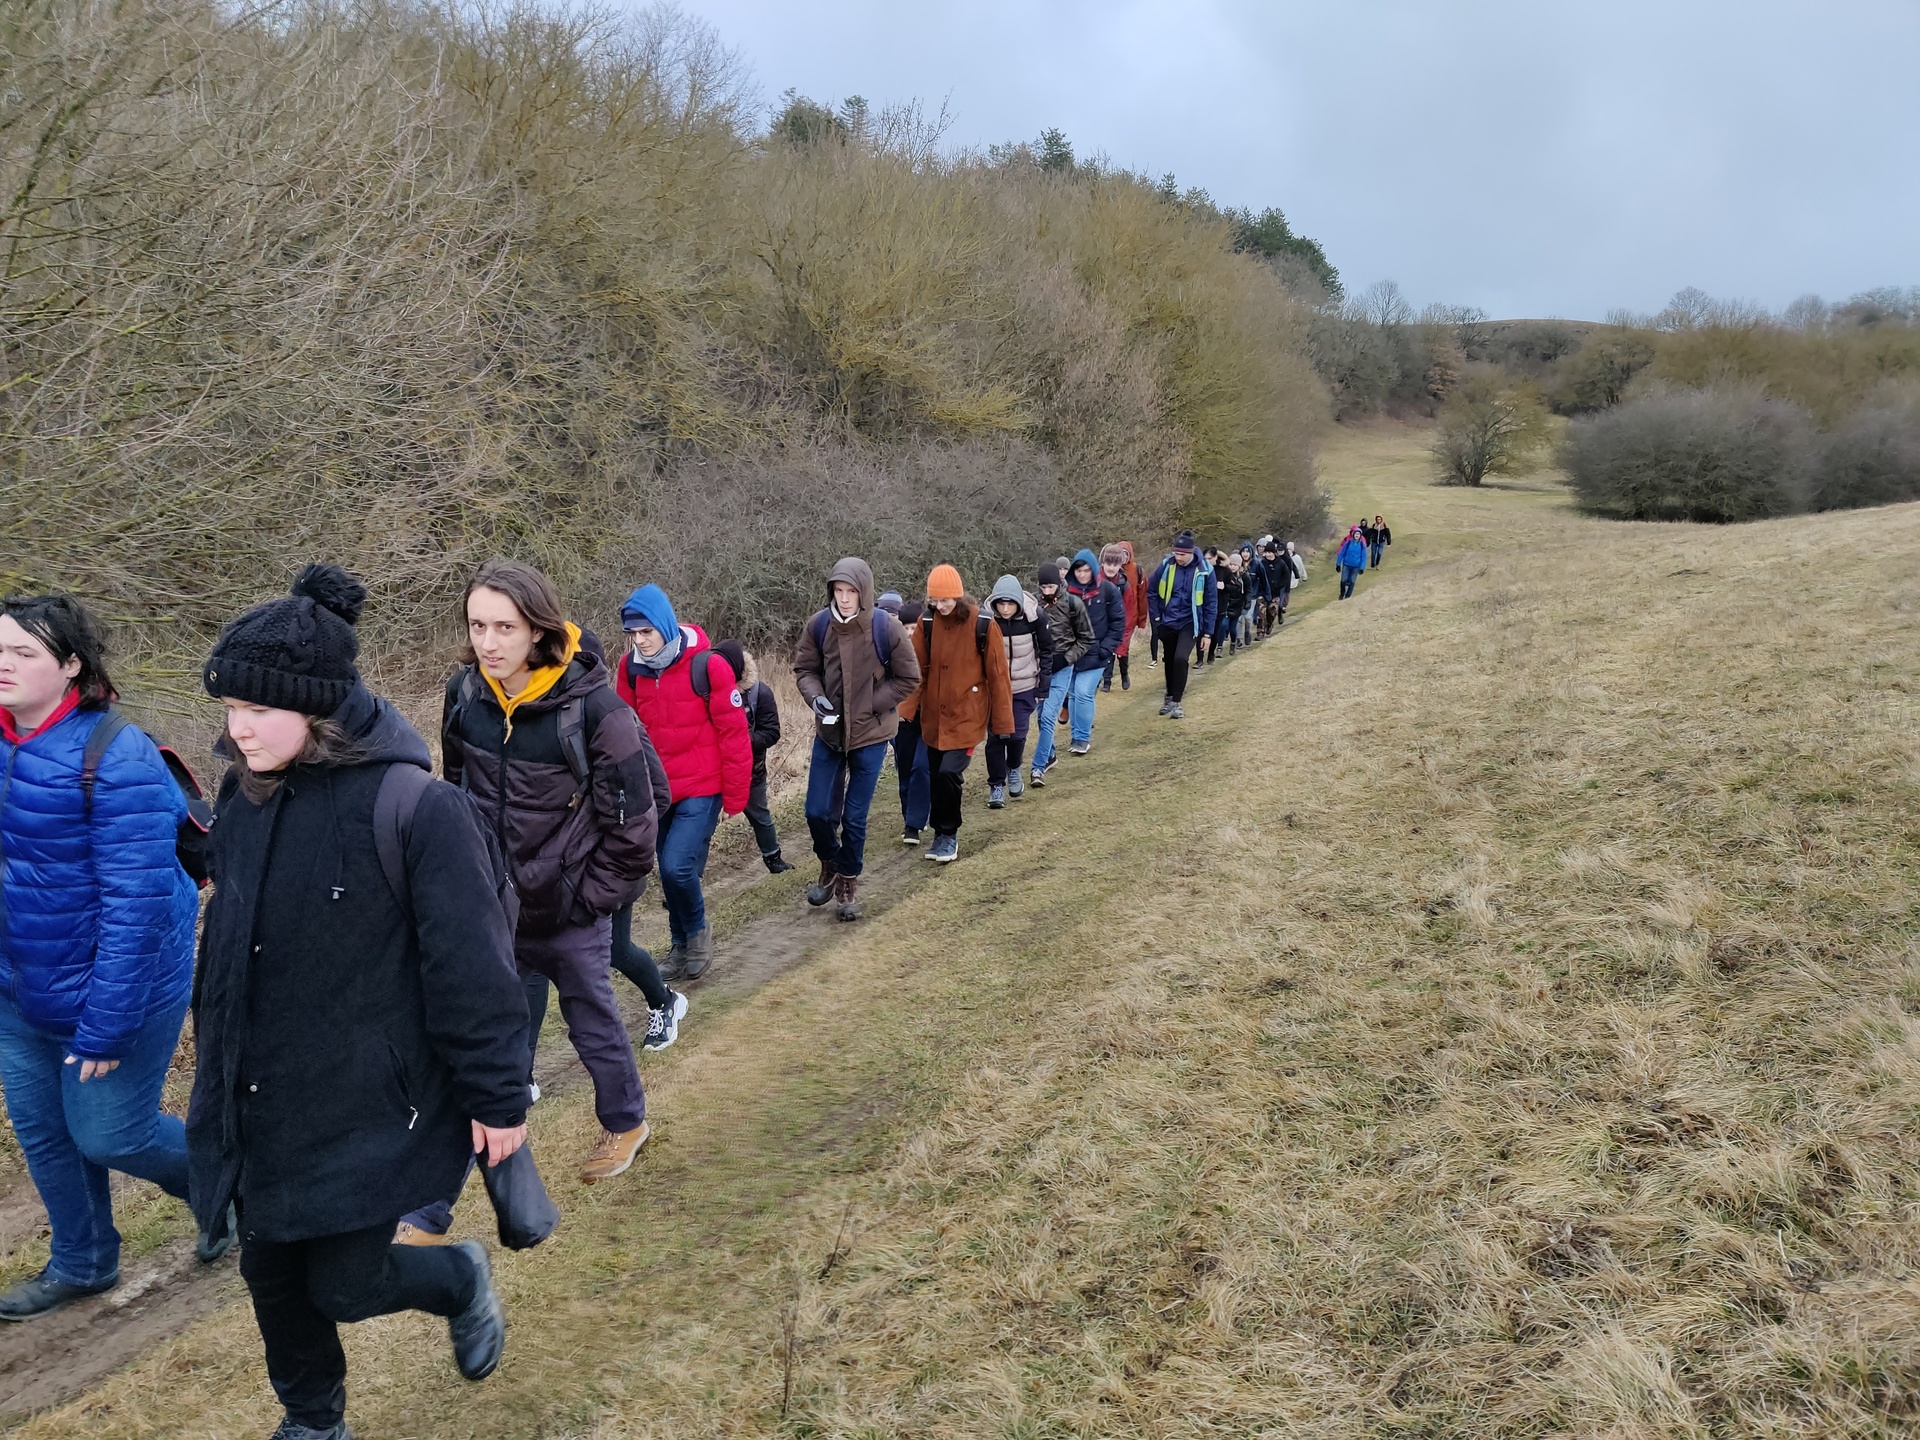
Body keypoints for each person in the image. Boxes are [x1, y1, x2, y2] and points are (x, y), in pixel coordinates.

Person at [193, 565, 530, 1438]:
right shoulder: (243, 794)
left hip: (368, 1104)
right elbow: (233, 943)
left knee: (343, 1284)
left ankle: (456, 1277)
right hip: (259, 1097)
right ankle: (313, 1422)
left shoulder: (415, 807)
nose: (237, 732)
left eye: (258, 712)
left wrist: (498, 1097)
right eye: (229, 710)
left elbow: (474, 968)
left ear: (318, 709)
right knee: (271, 1277)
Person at [0, 595, 214, 1323]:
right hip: (19, 986)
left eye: (24, 653)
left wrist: (105, 1025)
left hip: (119, 984)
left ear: (69, 666)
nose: (4, 663)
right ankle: (83, 1263)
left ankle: (227, 1190)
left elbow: (139, 905)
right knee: (45, 1131)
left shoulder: (113, 754)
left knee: (110, 1132)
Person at [445, 560, 659, 1189]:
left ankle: (625, 1122)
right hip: (492, 901)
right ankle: (468, 1162)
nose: (488, 642)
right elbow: (453, 792)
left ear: (537, 629)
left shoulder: (595, 709)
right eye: (478, 625)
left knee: (590, 1015)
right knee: (488, 1024)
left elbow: (636, 825)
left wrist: (587, 900)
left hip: (568, 907)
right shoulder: (464, 694)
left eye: (504, 627)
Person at [614, 583, 751, 980]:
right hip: (656, 792)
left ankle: (697, 932)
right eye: (633, 634)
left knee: (677, 869)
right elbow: (622, 733)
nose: (640, 642)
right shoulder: (630, 669)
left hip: (703, 786)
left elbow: (734, 734)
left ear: (664, 625)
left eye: (646, 632)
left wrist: (736, 797)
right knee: (666, 868)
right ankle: (679, 945)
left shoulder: (708, 666)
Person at [791, 558, 921, 920]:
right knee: (816, 811)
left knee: (855, 816)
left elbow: (909, 678)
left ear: (864, 592)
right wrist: (814, 695)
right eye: (838, 590)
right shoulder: (818, 625)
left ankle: (848, 882)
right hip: (829, 732)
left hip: (872, 733)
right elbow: (805, 669)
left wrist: (870, 704)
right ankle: (830, 863)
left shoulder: (887, 628)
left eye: (851, 591)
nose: (844, 598)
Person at [896, 566, 1013, 863]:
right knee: (936, 777)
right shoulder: (926, 623)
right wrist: (905, 711)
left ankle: (949, 835)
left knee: (949, 773)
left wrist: (1002, 723)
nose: (941, 605)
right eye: (935, 599)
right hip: (933, 719)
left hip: (967, 718)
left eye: (946, 599)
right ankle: (939, 833)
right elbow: (915, 672)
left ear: (958, 595)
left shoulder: (983, 623)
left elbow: (998, 677)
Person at [712, 639, 791, 875]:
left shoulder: (760, 693)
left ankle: (773, 859)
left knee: (760, 816)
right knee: (701, 827)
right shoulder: (705, 690)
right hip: (711, 770)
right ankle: (687, 880)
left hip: (750, 770)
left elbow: (772, 732)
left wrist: (739, 741)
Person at [983, 574, 1051, 807]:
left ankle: (1014, 768)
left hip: (1025, 685)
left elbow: (1046, 649)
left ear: (1018, 603)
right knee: (995, 738)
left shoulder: (1035, 618)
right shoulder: (986, 621)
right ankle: (996, 786)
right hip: (995, 689)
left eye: (1009, 603)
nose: (1004, 608)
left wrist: (1044, 683)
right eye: (1000, 603)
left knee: (1016, 735)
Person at [1027, 562, 1093, 788]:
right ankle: (1050, 754)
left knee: (1047, 717)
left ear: (1058, 584)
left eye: (1050, 586)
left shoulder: (1073, 604)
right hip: (1039, 668)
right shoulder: (1033, 606)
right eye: (1043, 587)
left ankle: (1038, 768)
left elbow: (1087, 638)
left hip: (1063, 667)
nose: (1047, 591)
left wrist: (1067, 659)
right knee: (1040, 716)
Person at [1057, 549, 1123, 754]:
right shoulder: (1065, 594)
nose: (1082, 575)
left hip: (1096, 653)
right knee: (1074, 695)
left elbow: (1118, 622)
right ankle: (1076, 735)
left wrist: (1106, 649)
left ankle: (1082, 738)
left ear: (1094, 570)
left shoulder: (1108, 591)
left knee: (1084, 693)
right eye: (1078, 570)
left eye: (1086, 570)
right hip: (1072, 654)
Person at [1147, 530, 1216, 720]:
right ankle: (1169, 696)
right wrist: (1156, 619)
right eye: (1176, 553)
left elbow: (1211, 603)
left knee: (1180, 659)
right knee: (1169, 660)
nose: (1178, 557)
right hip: (1167, 622)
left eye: (1182, 554)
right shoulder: (1166, 566)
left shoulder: (1205, 571)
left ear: (1192, 552)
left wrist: (1208, 633)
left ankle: (1177, 702)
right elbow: (1151, 591)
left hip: (1190, 623)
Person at [888, 596, 932, 842]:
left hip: (929, 718)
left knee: (921, 767)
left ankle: (913, 824)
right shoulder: (891, 654)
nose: (909, 632)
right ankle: (910, 815)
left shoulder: (934, 650)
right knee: (905, 770)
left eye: (914, 627)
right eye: (905, 628)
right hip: (902, 721)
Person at [1098, 543, 1144, 692]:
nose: (1111, 568)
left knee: (1121, 653)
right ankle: (1107, 681)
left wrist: (1124, 629)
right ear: (1102, 563)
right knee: (1106, 653)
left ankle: (1124, 674)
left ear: (1120, 565)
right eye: (1108, 563)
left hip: (1121, 625)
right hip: (1101, 624)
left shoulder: (1124, 584)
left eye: (1115, 564)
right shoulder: (1096, 581)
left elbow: (1129, 609)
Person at [1337, 526, 1369, 600]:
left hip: (1356, 566)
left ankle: (1348, 596)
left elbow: (1363, 557)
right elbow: (1342, 553)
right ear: (1353, 534)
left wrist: (1362, 567)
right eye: (1356, 534)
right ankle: (1342, 593)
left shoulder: (1362, 545)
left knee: (1352, 581)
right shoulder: (1348, 543)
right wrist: (1338, 564)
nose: (1357, 535)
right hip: (1346, 565)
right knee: (1343, 581)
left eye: (1358, 534)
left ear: (1360, 535)